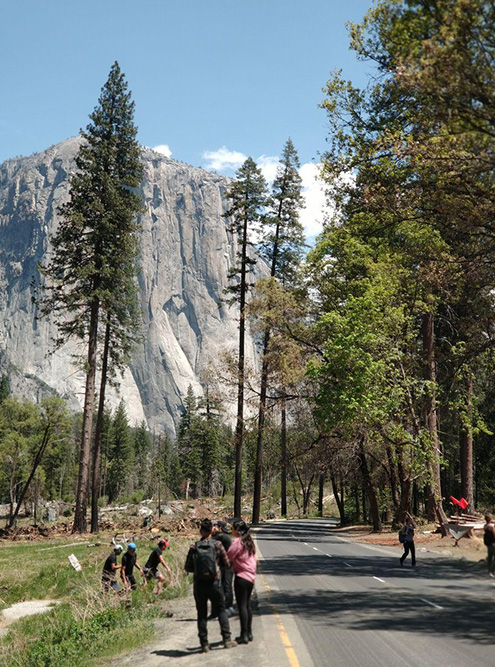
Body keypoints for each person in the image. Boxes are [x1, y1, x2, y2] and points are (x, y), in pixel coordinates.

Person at [185, 518, 237, 653]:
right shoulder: (218, 545)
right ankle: (226, 639)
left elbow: (188, 567)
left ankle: (204, 644)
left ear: (201, 531)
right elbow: (226, 564)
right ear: (211, 531)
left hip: (199, 585)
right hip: (215, 584)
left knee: (201, 614)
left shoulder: (194, 547)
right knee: (221, 610)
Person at [227, 519, 257, 644]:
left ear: (237, 530)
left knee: (241, 606)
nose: (231, 531)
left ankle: (243, 634)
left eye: (233, 529)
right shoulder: (249, 542)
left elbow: (229, 556)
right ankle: (249, 633)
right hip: (250, 577)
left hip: (241, 576)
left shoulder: (237, 542)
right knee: (247, 605)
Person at [211, 520, 234, 617]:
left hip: (227, 566)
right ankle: (222, 608)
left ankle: (228, 607)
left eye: (215, 526)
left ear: (220, 527)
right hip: (220, 566)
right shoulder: (216, 537)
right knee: (220, 587)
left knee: (227, 586)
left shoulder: (224, 537)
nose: (213, 527)